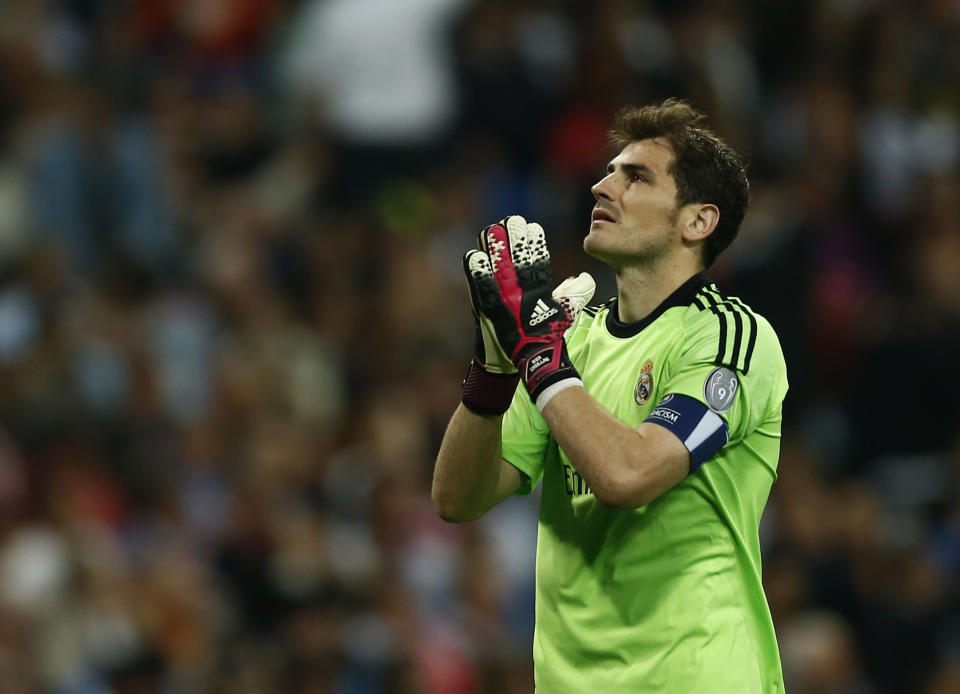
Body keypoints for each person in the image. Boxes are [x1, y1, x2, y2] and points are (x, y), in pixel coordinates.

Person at [432, 99, 788, 693]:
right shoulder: (572, 340)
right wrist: (495, 368)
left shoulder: (730, 338)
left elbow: (628, 475)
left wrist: (539, 358)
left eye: (636, 176)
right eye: (609, 171)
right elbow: (457, 498)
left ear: (697, 221)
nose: (602, 185)